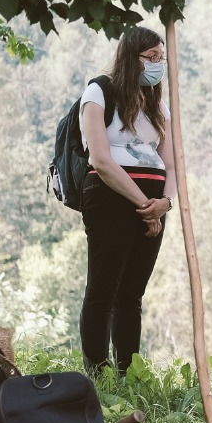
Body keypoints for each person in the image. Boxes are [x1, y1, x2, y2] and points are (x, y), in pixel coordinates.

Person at [78, 26, 176, 376]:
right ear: (129, 58)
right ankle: (97, 372)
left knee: (132, 294)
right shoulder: (99, 92)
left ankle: (127, 372)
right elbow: (101, 160)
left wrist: (164, 203)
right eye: (150, 58)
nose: (156, 65)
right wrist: (143, 204)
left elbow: (172, 159)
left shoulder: (159, 105)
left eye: (160, 59)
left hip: (153, 207)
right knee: (104, 287)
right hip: (109, 199)